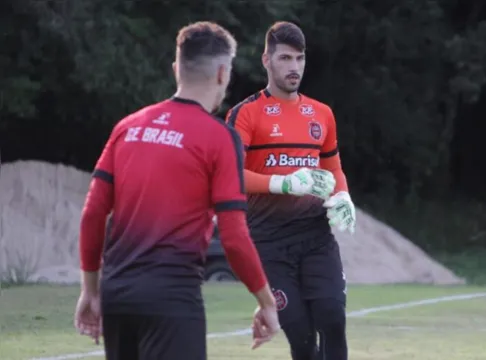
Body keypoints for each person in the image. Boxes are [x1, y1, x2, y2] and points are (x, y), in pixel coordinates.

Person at [74, 21, 280, 360]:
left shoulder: (128, 127)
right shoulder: (219, 138)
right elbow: (233, 237)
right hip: (171, 297)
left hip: (117, 295)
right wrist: (266, 302)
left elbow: (93, 213)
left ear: (176, 69)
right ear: (222, 74)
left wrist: (90, 290)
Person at [225, 21, 356, 360]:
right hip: (268, 241)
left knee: (331, 316)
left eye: (299, 58)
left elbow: (332, 166)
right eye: (285, 58)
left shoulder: (322, 114)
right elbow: (229, 175)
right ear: (266, 60)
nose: (294, 67)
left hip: (315, 235)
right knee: (299, 334)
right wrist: (281, 183)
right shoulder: (245, 114)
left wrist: (342, 196)